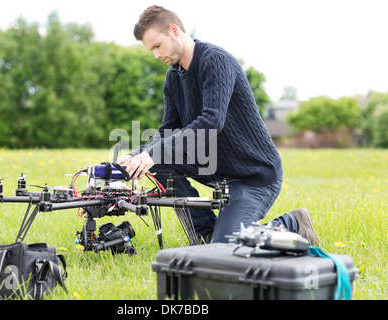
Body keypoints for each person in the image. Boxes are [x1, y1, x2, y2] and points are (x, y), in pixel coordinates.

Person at [117, 5, 320, 245]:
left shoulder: (215, 60)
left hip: (253, 174)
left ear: (174, 30)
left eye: (157, 46)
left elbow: (212, 122)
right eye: (151, 50)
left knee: (226, 250)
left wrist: (154, 152)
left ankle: (293, 223)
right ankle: (204, 234)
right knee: (157, 161)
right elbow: (167, 132)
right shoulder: (173, 76)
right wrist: (136, 156)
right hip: (217, 169)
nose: (156, 55)